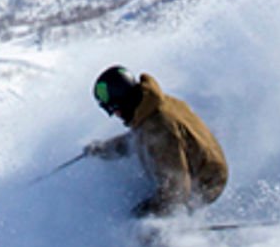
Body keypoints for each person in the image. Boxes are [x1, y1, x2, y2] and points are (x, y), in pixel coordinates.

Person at [83, 65, 228, 216]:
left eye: (116, 110)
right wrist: (104, 149)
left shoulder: (159, 129)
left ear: (124, 103)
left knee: (143, 215)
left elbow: (177, 189)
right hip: (193, 165)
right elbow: (135, 140)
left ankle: (167, 233)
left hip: (206, 182)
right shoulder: (149, 105)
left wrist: (150, 217)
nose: (117, 116)